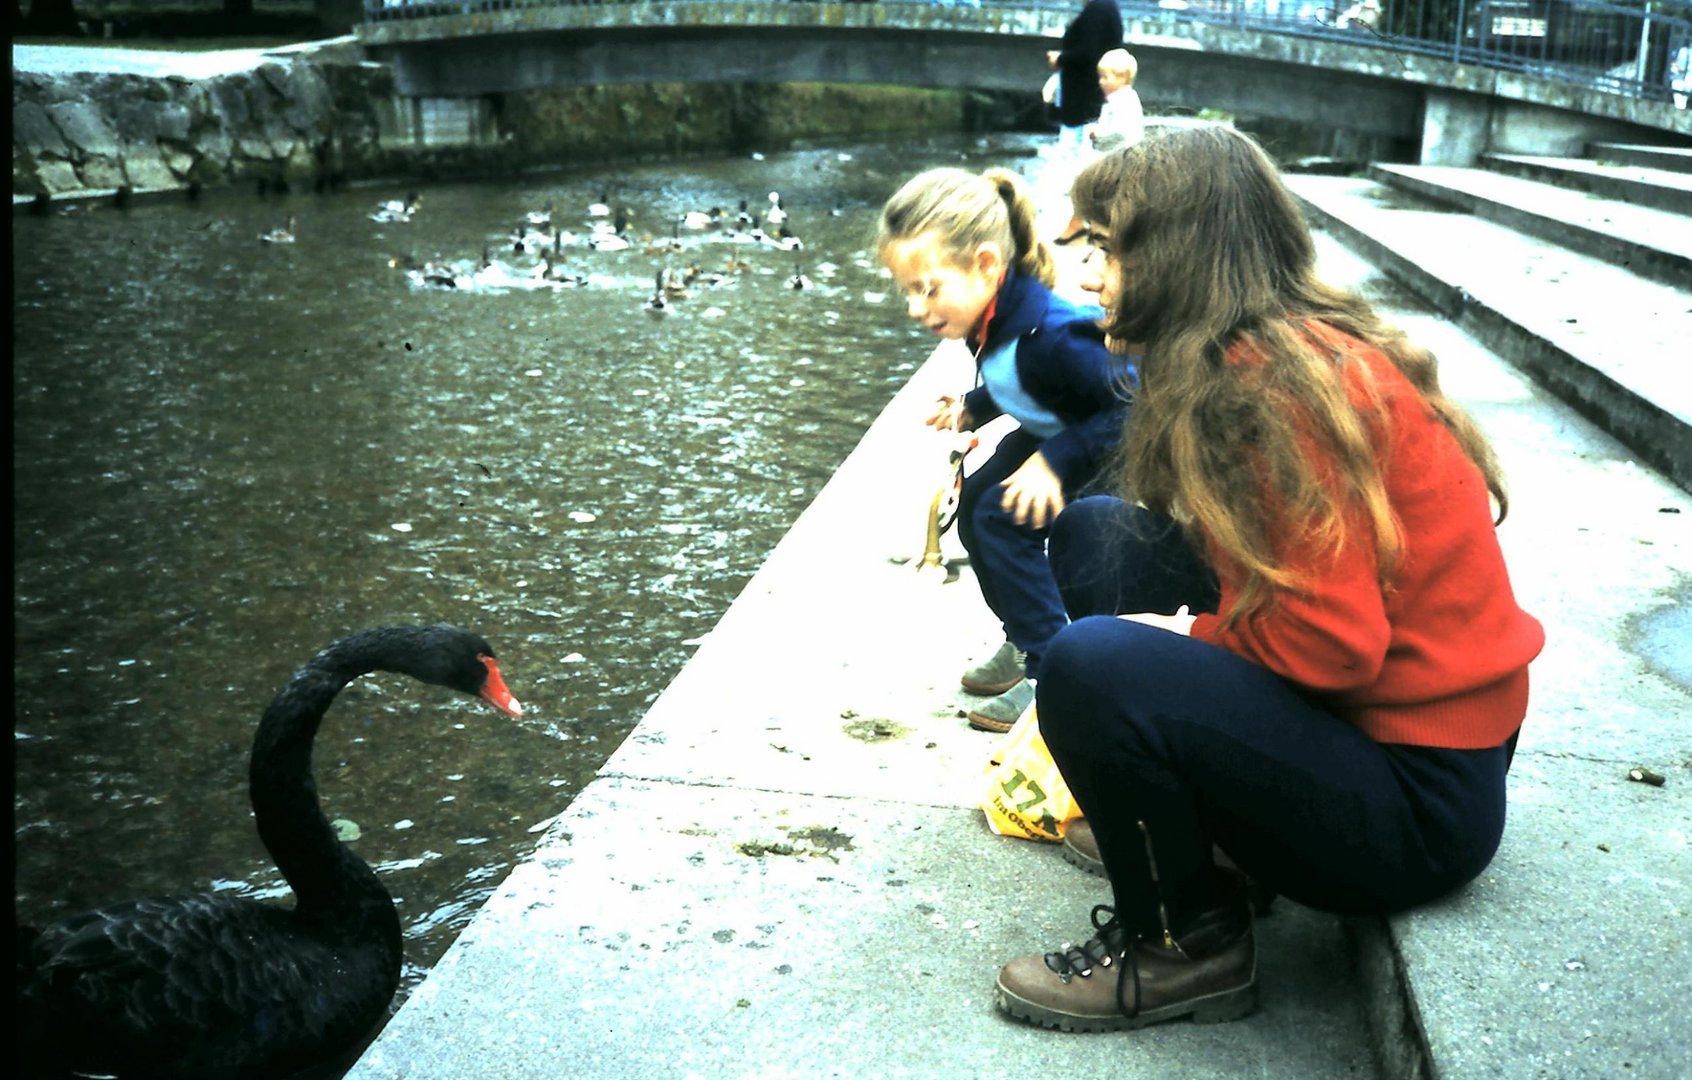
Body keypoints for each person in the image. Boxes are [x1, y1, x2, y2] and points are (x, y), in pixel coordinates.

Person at [992, 124, 1546, 1033]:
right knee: (1098, 535)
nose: (1086, 276)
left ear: (1178, 258)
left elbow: (1332, 645)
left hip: (1418, 805)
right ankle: (1182, 833)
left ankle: (1185, 945)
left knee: (1093, 665)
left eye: (1108, 250)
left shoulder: (1279, 392)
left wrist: (1182, 644)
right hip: (1395, 739)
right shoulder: (1265, 352)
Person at [878, 166, 1135, 733]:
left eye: (928, 288)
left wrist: (1054, 463)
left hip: (1104, 448)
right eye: (909, 292)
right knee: (976, 508)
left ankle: (1051, 677)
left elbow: (1129, 405)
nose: (917, 309)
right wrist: (975, 405)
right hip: (1056, 433)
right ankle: (1025, 640)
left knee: (1002, 517)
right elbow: (1019, 378)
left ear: (986, 265)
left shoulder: (1054, 335)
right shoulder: (996, 316)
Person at [1045, 0, 1123, 244]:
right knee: (1083, 163)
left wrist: (1061, 58)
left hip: (1084, 104)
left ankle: (1077, 222)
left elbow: (1089, 53)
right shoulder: (1105, 8)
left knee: (1078, 164)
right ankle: (1083, 222)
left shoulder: (1098, 10)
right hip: (1087, 103)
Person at [1086, 48, 1144, 154]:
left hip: (1123, 156)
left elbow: (1120, 135)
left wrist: (1098, 135)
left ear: (1122, 77)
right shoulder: (1115, 100)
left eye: (1105, 77)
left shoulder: (1124, 102)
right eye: (1100, 77)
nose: (1101, 82)